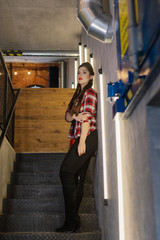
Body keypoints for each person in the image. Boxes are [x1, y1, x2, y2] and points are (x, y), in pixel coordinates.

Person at [56, 62, 98, 233]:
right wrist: (74, 115)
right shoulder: (77, 95)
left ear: (91, 76)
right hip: (82, 137)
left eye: (84, 72)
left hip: (87, 137)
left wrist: (82, 143)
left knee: (65, 172)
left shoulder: (90, 93)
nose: (80, 75)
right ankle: (74, 221)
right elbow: (67, 117)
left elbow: (86, 119)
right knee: (77, 179)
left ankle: (70, 221)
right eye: (79, 72)